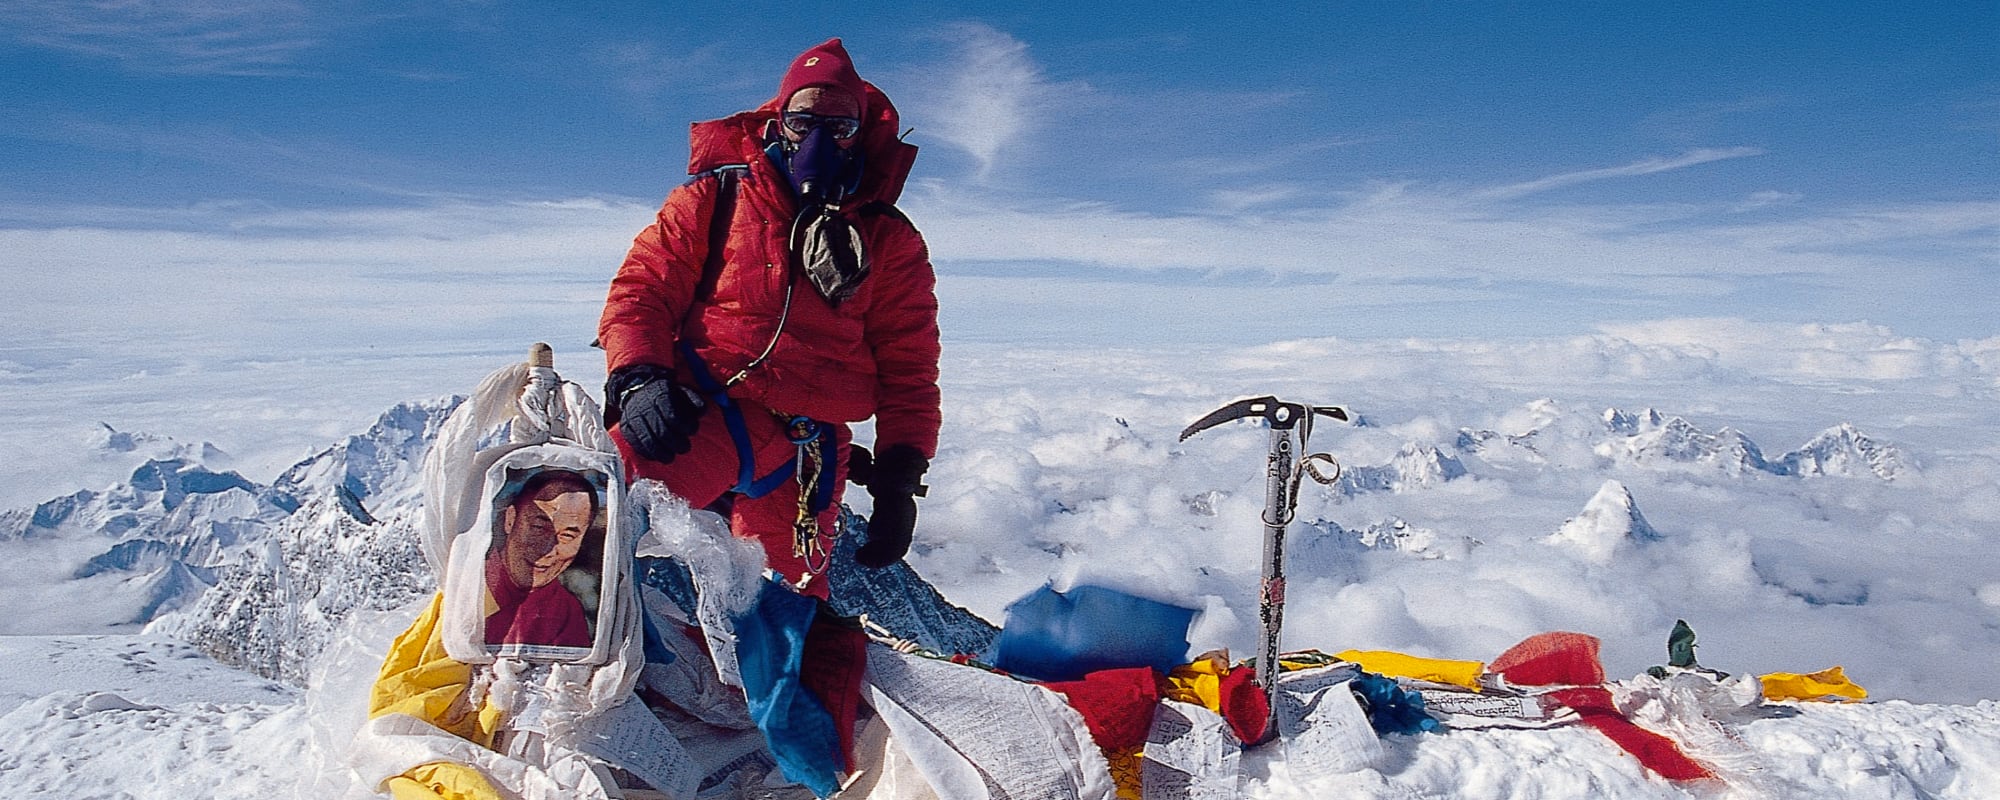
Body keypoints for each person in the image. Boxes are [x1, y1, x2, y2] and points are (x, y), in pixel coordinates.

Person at [598, 38, 940, 599]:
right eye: (804, 121)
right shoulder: (715, 199)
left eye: (840, 125)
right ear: (777, 122)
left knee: (788, 611)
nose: (820, 141)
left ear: (860, 134)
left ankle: (755, 686)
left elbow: (909, 366)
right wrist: (640, 377)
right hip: (698, 413)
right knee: (579, 515)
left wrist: (899, 479)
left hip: (807, 451)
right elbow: (643, 291)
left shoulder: (888, 238)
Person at [485, 469, 599, 647]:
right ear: (510, 519)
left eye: (567, 536)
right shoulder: (468, 586)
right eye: (539, 528)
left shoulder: (566, 610)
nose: (548, 549)